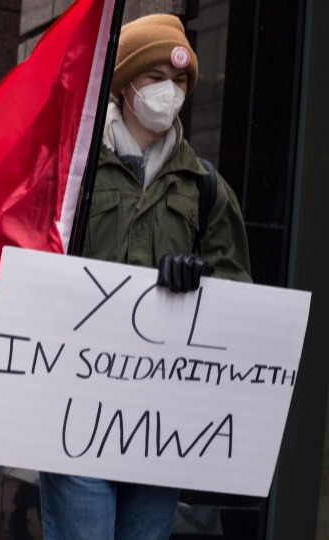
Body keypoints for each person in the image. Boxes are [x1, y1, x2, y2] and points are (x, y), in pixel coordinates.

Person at [37, 14, 251, 540]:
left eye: (179, 82)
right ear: (125, 84)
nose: (170, 92)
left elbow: (238, 293)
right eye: (156, 77)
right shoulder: (73, 170)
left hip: (160, 425)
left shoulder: (206, 187)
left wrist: (202, 281)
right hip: (78, 411)